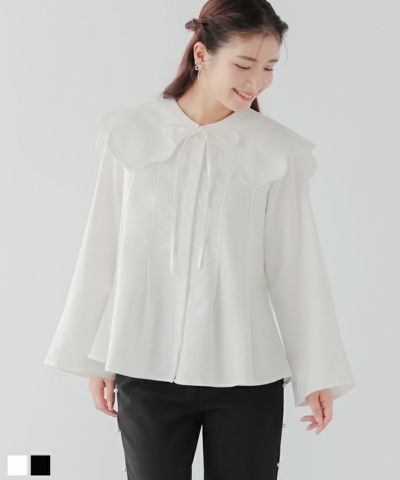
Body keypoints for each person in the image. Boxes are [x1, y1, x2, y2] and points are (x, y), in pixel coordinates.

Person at [43, 1, 355, 478]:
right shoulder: (131, 134)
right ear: (202, 55)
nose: (257, 81)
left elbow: (296, 268)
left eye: (269, 67)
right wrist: (96, 357)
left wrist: (318, 373)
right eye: (244, 65)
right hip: (145, 368)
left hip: (246, 374)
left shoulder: (277, 151)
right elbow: (102, 250)